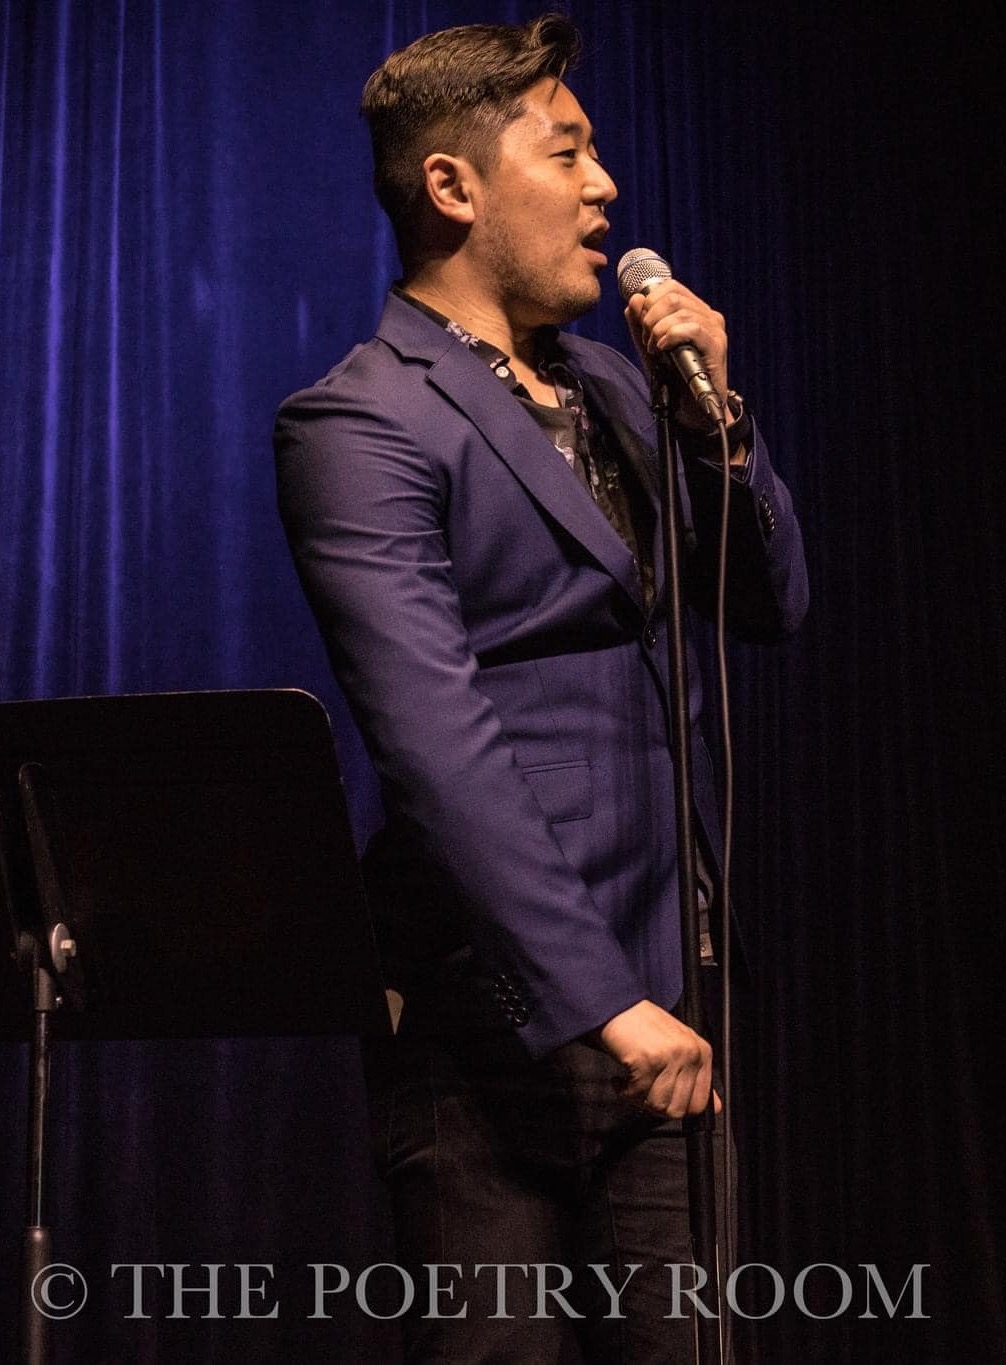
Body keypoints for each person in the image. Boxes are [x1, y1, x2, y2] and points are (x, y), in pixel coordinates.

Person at [274, 14, 807, 1362]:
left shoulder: (624, 393)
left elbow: (768, 605)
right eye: (565, 151)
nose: (605, 186)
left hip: (667, 1000)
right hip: (493, 1018)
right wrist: (594, 997)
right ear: (453, 187)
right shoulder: (360, 422)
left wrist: (719, 430)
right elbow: (434, 739)